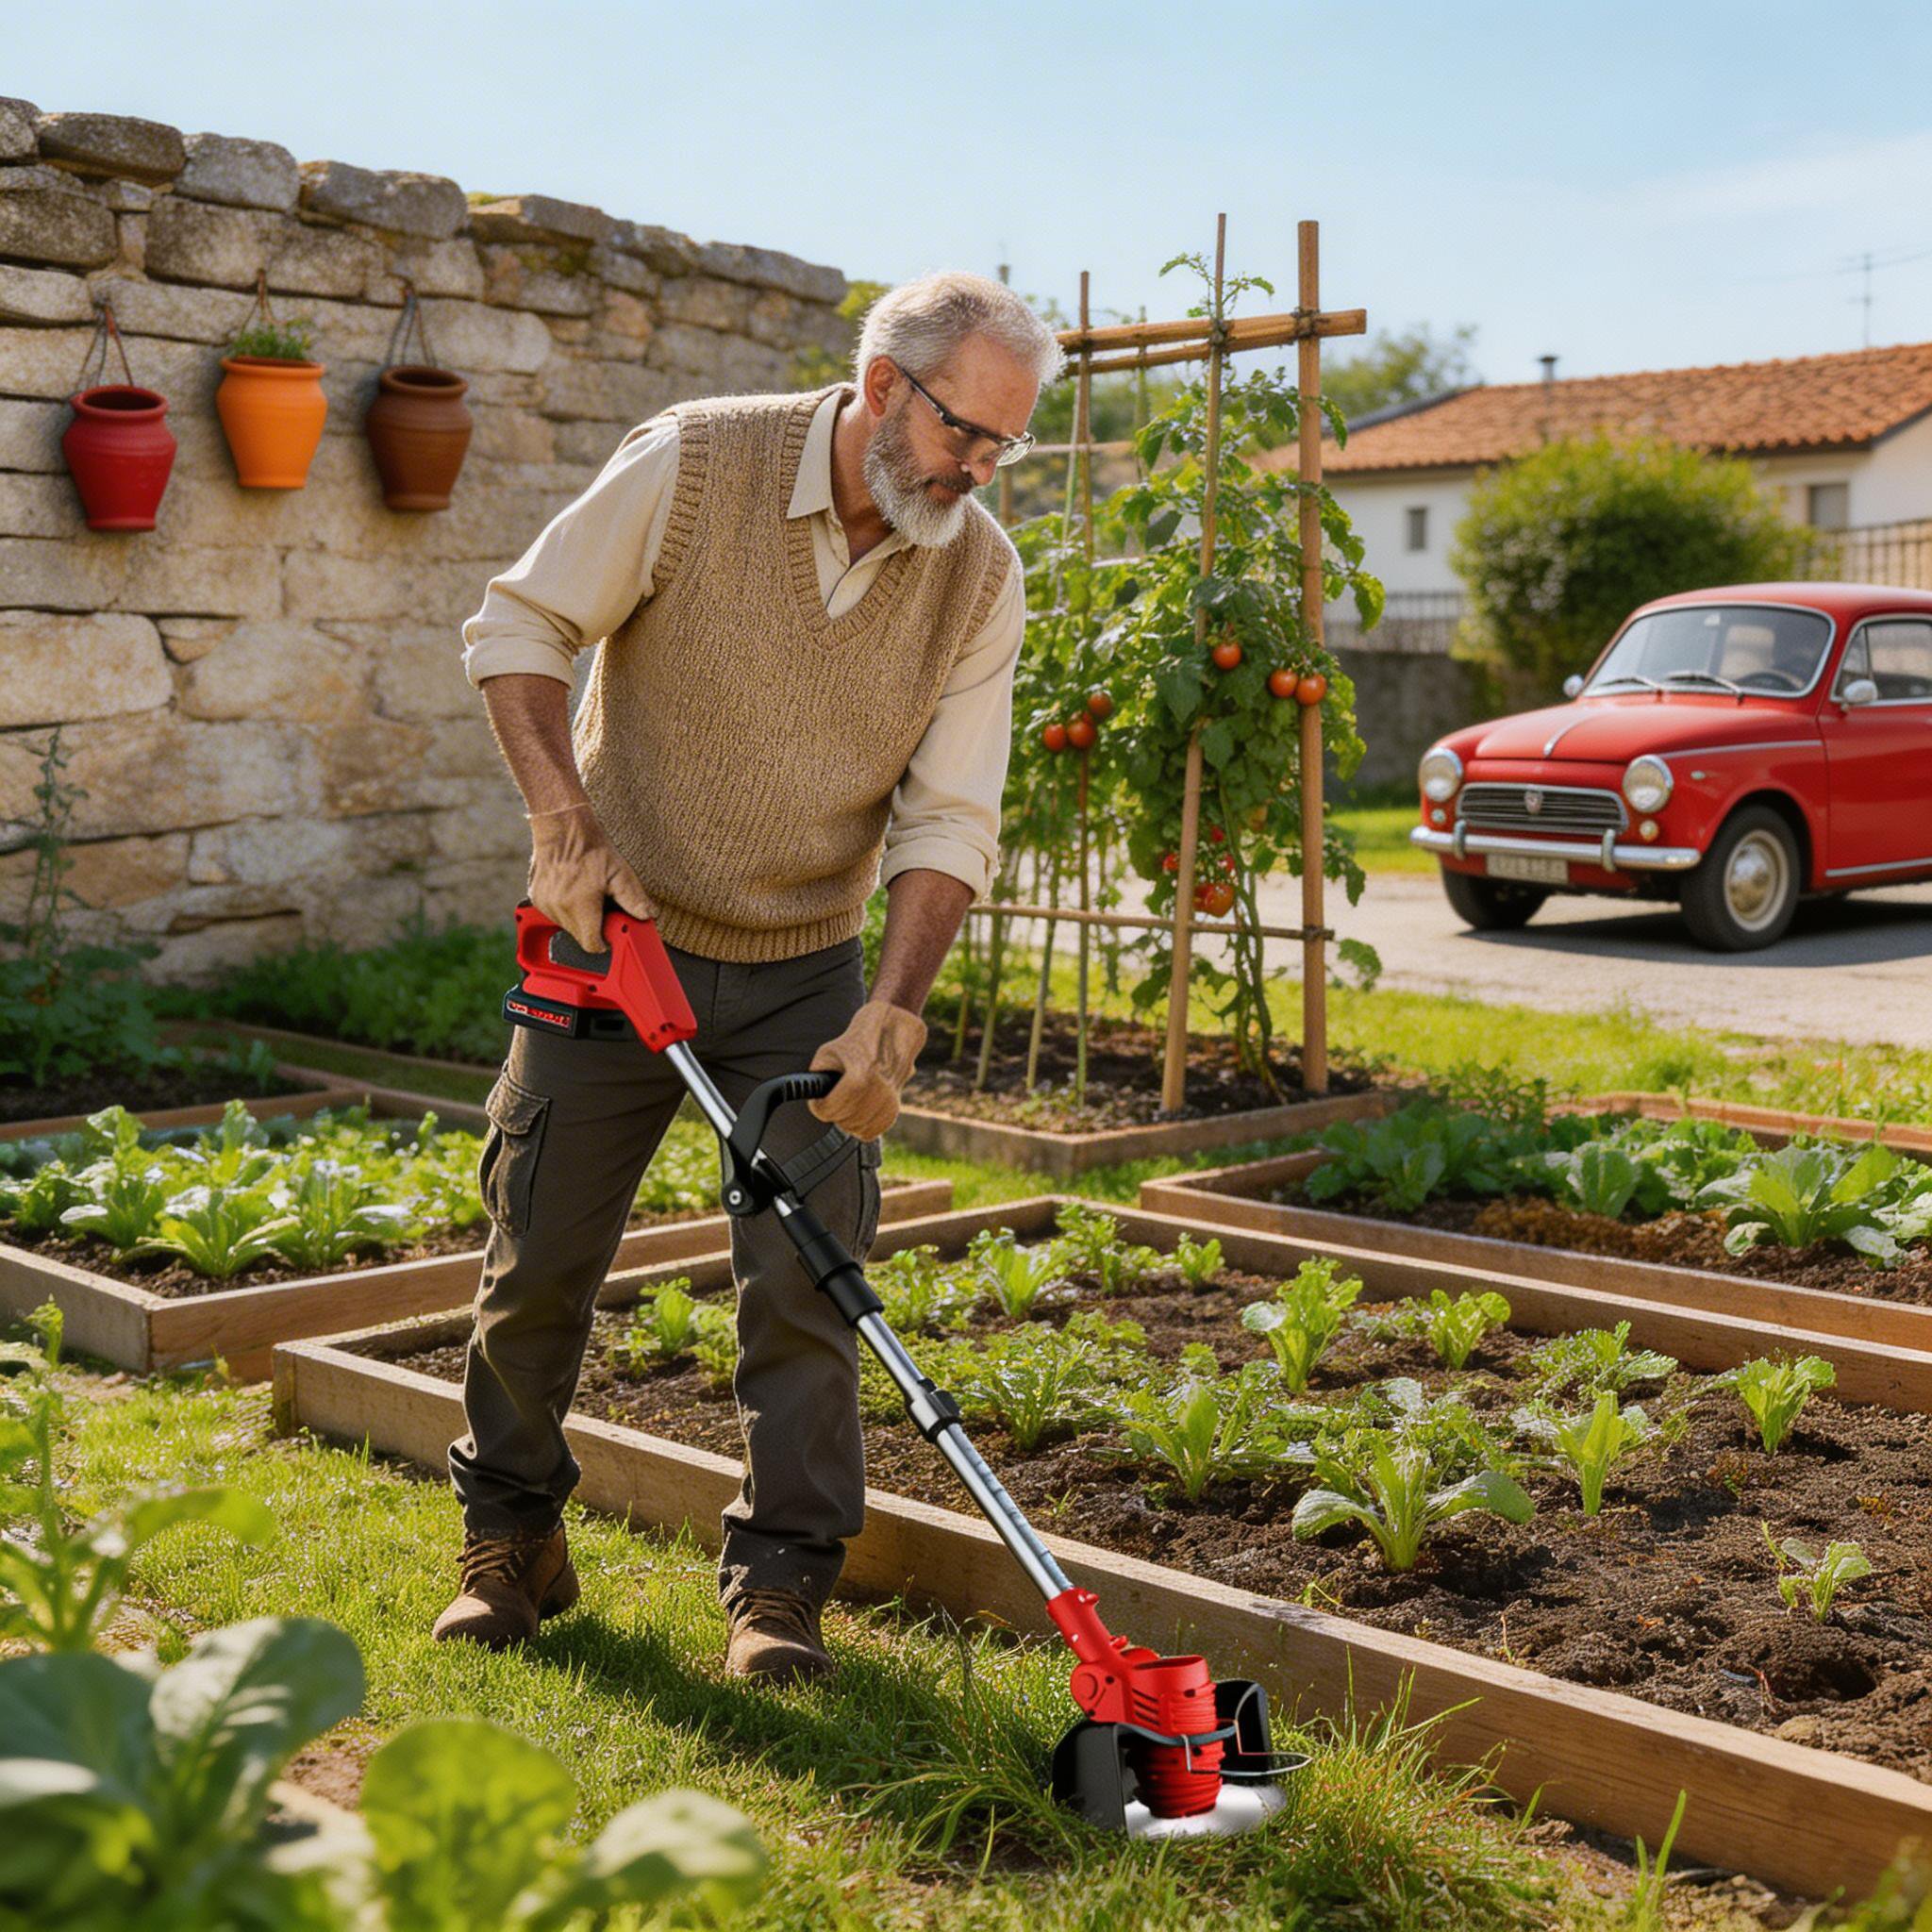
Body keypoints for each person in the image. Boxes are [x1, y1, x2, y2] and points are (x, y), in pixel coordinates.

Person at [430, 271, 1062, 1684]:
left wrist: (891, 1009)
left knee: (808, 1282)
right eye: (972, 433)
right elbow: (519, 628)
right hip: (618, 940)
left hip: (805, 970)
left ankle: (779, 1586)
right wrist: (561, 824)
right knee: (537, 1256)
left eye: (1008, 447)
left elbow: (951, 815)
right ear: (887, 387)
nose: (983, 469)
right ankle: (510, 1539)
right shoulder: (696, 459)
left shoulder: (977, 569)